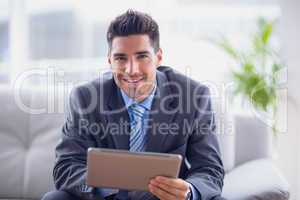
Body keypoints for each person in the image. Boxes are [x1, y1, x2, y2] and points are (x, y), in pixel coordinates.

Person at [42, 10, 224, 200]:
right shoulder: (85, 98)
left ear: (158, 57)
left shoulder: (193, 96)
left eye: (142, 56)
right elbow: (66, 167)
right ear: (110, 61)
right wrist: (107, 185)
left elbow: (210, 169)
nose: (131, 70)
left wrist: (188, 192)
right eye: (121, 58)